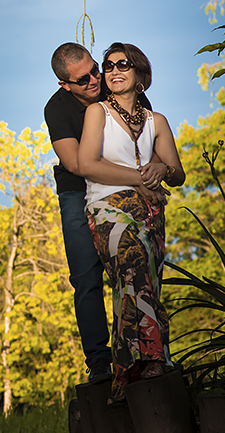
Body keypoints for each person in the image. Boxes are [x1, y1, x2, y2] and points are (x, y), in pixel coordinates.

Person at [76, 42, 184, 403]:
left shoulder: (158, 121)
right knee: (131, 270)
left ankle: (128, 371)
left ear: (140, 73)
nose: (113, 71)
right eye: (108, 66)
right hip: (107, 207)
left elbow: (177, 173)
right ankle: (154, 358)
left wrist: (161, 168)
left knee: (140, 285)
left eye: (123, 64)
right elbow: (87, 164)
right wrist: (141, 177)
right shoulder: (97, 113)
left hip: (150, 212)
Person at [45, 42, 134, 384]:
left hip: (124, 186)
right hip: (77, 190)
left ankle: (137, 353)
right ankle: (99, 362)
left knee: (131, 272)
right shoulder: (56, 109)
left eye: (96, 69)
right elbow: (75, 164)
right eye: (83, 80)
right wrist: (130, 172)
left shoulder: (118, 88)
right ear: (65, 85)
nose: (96, 80)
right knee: (85, 277)